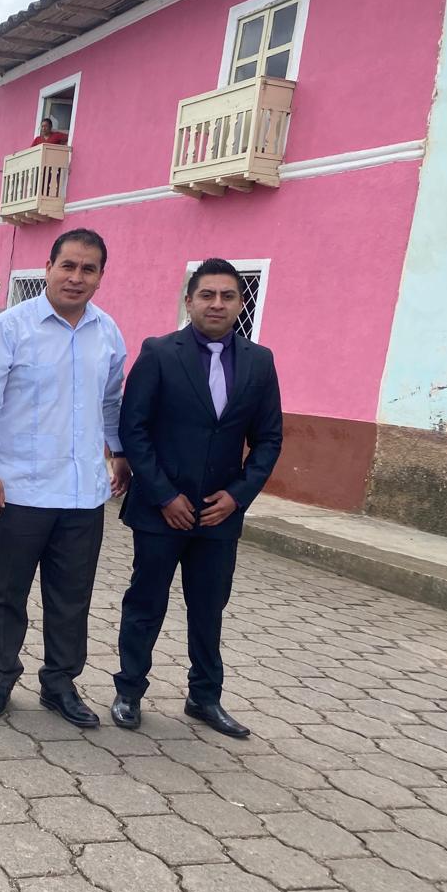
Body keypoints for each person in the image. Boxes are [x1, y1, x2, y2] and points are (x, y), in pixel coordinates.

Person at [0, 228, 129, 727]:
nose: (76, 277)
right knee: (7, 593)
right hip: (19, 491)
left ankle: (60, 683)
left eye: (88, 269)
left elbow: (111, 402)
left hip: (83, 495)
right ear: (49, 268)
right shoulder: (9, 329)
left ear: (101, 276)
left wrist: (119, 452)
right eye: (68, 266)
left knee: (71, 598)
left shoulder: (108, 333)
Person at [110, 258, 283, 739]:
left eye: (228, 295)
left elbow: (269, 438)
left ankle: (205, 697)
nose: (217, 304)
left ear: (241, 303)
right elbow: (134, 428)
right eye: (207, 295)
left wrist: (238, 496)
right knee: (145, 604)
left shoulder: (259, 361)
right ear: (189, 301)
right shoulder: (160, 353)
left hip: (218, 515)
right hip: (160, 511)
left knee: (209, 608)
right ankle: (129, 691)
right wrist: (164, 494)